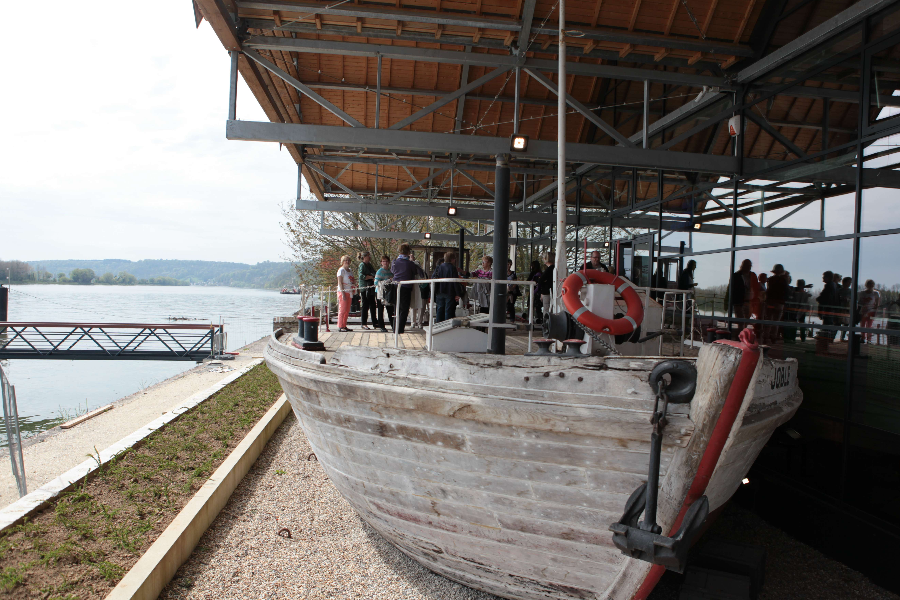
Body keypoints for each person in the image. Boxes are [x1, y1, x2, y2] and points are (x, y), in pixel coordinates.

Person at [390, 244, 425, 334]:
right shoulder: (410, 264)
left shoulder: (394, 262)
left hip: (395, 286)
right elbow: (418, 272)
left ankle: (395, 328)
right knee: (404, 309)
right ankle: (400, 329)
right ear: (409, 252)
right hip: (406, 287)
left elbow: (392, 271)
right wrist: (413, 262)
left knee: (396, 308)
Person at [431, 251, 463, 323]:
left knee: (439, 309)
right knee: (448, 310)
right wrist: (458, 293)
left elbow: (434, 277)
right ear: (452, 259)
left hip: (439, 291)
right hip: (450, 292)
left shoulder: (439, 267)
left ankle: (438, 325)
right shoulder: (453, 268)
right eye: (454, 259)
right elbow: (455, 281)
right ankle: (447, 326)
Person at [765, 264, 789, 344]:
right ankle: (773, 337)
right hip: (779, 303)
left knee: (769, 320)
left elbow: (768, 291)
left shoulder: (770, 280)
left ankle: (766, 336)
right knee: (776, 321)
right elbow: (786, 291)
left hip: (770, 302)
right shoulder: (783, 280)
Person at [729, 259, 756, 332]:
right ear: (743, 266)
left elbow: (756, 287)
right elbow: (732, 289)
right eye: (747, 266)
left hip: (749, 302)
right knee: (741, 320)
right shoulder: (736, 275)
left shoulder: (752, 275)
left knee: (746, 320)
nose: (749, 267)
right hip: (739, 302)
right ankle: (740, 334)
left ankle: (743, 334)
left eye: (750, 266)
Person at [356, 252, 378, 331]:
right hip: (365, 288)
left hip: (370, 287)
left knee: (372, 305)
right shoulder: (362, 265)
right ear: (364, 257)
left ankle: (375, 322)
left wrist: (373, 276)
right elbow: (361, 276)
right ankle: (363, 323)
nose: (370, 257)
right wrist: (369, 277)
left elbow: (374, 273)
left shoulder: (370, 265)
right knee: (365, 305)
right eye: (368, 256)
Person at [816, 270, 840, 335]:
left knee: (827, 324)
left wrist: (819, 299)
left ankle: (825, 337)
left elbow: (825, 297)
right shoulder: (834, 285)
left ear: (828, 277)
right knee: (829, 323)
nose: (823, 279)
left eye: (824, 277)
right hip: (831, 308)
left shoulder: (829, 285)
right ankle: (827, 337)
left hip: (828, 308)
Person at [336, 255, 356, 332]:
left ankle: (344, 325)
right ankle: (340, 326)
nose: (347, 262)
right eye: (345, 260)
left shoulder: (350, 270)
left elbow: (352, 280)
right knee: (342, 309)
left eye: (348, 260)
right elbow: (340, 283)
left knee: (347, 310)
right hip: (343, 292)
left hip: (349, 291)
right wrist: (343, 293)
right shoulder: (341, 270)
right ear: (342, 261)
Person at [374, 255, 393, 332]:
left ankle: (393, 324)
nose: (385, 263)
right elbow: (376, 282)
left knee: (390, 309)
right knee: (380, 309)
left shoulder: (390, 271)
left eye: (387, 261)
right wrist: (386, 281)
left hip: (388, 292)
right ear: (381, 262)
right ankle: (381, 326)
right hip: (380, 292)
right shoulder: (379, 271)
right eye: (383, 261)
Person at [858, 279, 881, 343]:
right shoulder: (862, 293)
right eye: (869, 284)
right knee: (862, 325)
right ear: (866, 285)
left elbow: (877, 304)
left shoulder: (876, 293)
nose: (870, 286)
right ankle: (862, 338)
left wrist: (875, 311)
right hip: (863, 311)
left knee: (869, 325)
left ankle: (869, 339)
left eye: (871, 284)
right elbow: (859, 302)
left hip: (871, 311)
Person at [538, 252, 556, 320]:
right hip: (552, 291)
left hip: (547, 292)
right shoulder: (554, 269)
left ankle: (547, 325)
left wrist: (542, 292)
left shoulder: (549, 269)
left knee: (546, 309)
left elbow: (541, 280)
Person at [836, 276, 853, 341]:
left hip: (847, 309)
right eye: (848, 282)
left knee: (846, 324)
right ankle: (832, 337)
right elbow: (836, 299)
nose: (850, 284)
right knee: (837, 323)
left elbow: (854, 300)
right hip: (840, 309)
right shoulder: (839, 291)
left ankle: (842, 337)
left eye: (850, 282)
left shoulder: (851, 291)